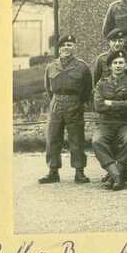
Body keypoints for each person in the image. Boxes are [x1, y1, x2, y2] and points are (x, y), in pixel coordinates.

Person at [39, 34, 92, 184]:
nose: (66, 48)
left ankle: (79, 171)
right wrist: (56, 100)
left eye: (69, 45)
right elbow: (48, 89)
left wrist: (78, 102)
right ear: (59, 48)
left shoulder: (82, 66)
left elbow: (88, 88)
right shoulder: (51, 67)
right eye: (63, 46)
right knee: (53, 137)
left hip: (74, 102)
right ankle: (53, 171)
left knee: (76, 138)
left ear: (74, 47)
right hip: (56, 103)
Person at [92, 50, 127, 191]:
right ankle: (117, 175)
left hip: (126, 123)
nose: (118, 65)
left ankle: (113, 175)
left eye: (121, 63)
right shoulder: (101, 84)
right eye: (115, 63)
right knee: (97, 141)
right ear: (110, 66)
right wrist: (123, 103)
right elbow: (98, 106)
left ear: (126, 66)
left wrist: (110, 103)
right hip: (106, 123)